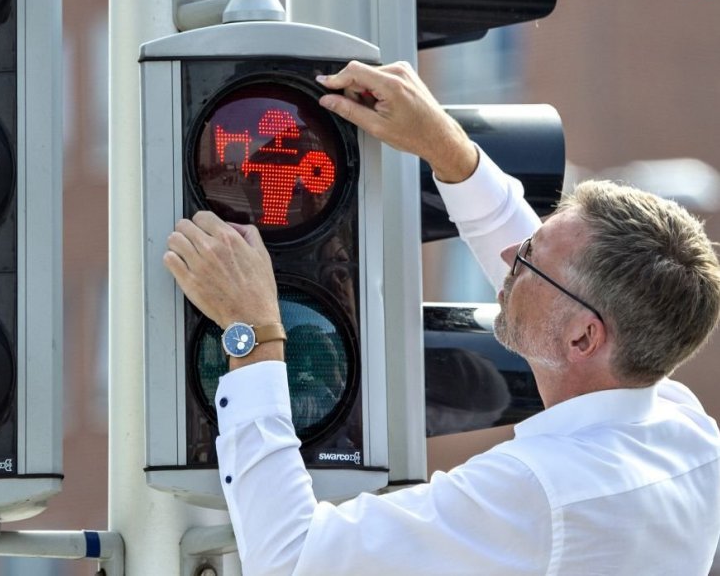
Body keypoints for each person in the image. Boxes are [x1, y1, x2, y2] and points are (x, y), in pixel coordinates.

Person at [163, 60, 720, 575]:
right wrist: (448, 150)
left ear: (582, 338)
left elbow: (292, 559)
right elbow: (558, 282)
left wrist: (252, 329)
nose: (510, 258)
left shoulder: (534, 493)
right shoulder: (684, 434)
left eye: (529, 260)